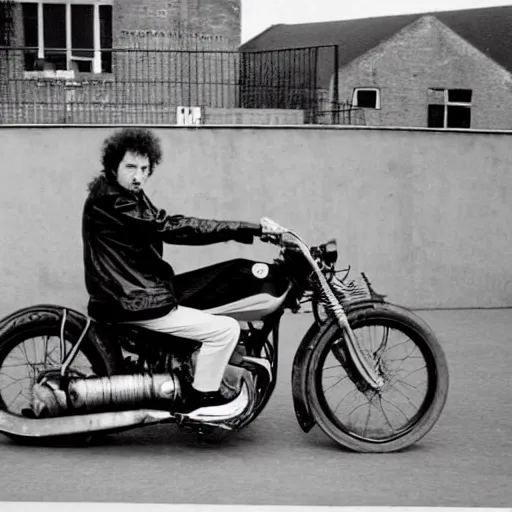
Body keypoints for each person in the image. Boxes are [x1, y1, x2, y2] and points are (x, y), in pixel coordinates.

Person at [82, 128, 285, 413]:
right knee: (225, 330)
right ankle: (199, 400)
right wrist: (245, 228)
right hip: (133, 299)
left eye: (144, 168)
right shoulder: (116, 200)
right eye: (130, 167)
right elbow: (172, 226)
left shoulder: (121, 193)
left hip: (133, 292)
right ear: (113, 166)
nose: (138, 176)